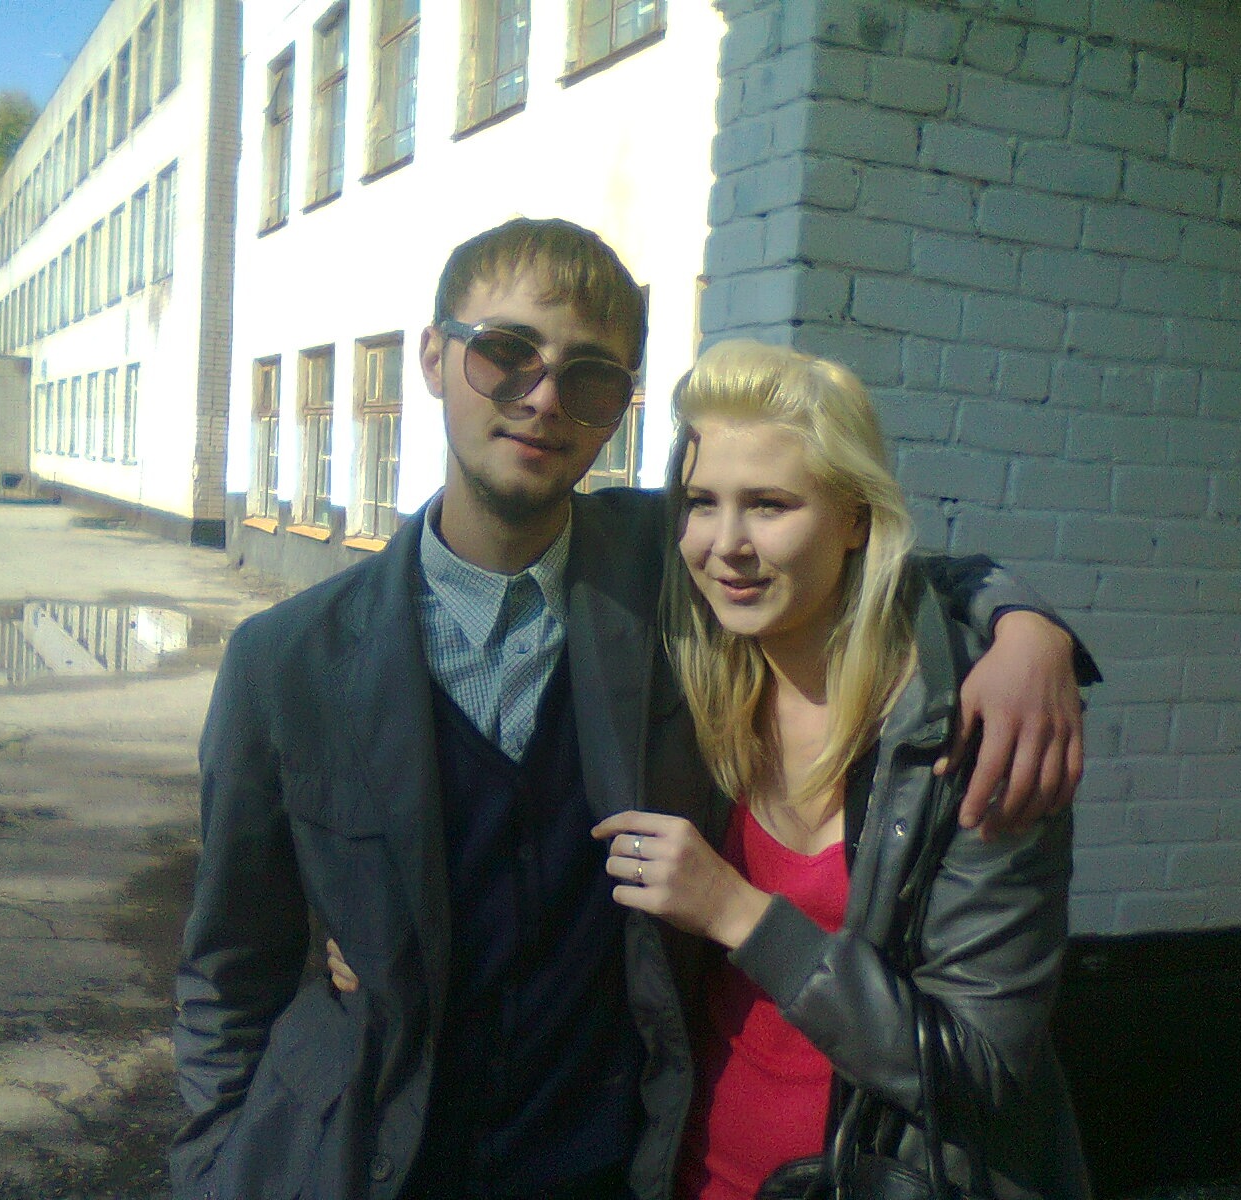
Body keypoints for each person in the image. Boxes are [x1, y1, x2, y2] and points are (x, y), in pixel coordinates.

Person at [172, 217, 1094, 1200]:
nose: (542, 398)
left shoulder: (663, 574)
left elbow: (854, 556)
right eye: (505, 353)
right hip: (380, 1161)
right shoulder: (287, 664)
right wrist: (213, 1168)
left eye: (589, 375)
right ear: (433, 358)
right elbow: (229, 971)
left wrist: (1023, 628)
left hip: (614, 1164)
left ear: (617, 409)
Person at [591, 340, 1090, 1198]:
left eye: (771, 505)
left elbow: (978, 1072)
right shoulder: (691, 672)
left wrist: (740, 914)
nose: (726, 544)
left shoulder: (968, 730)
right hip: (689, 1172)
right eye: (702, 502)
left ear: (856, 519)